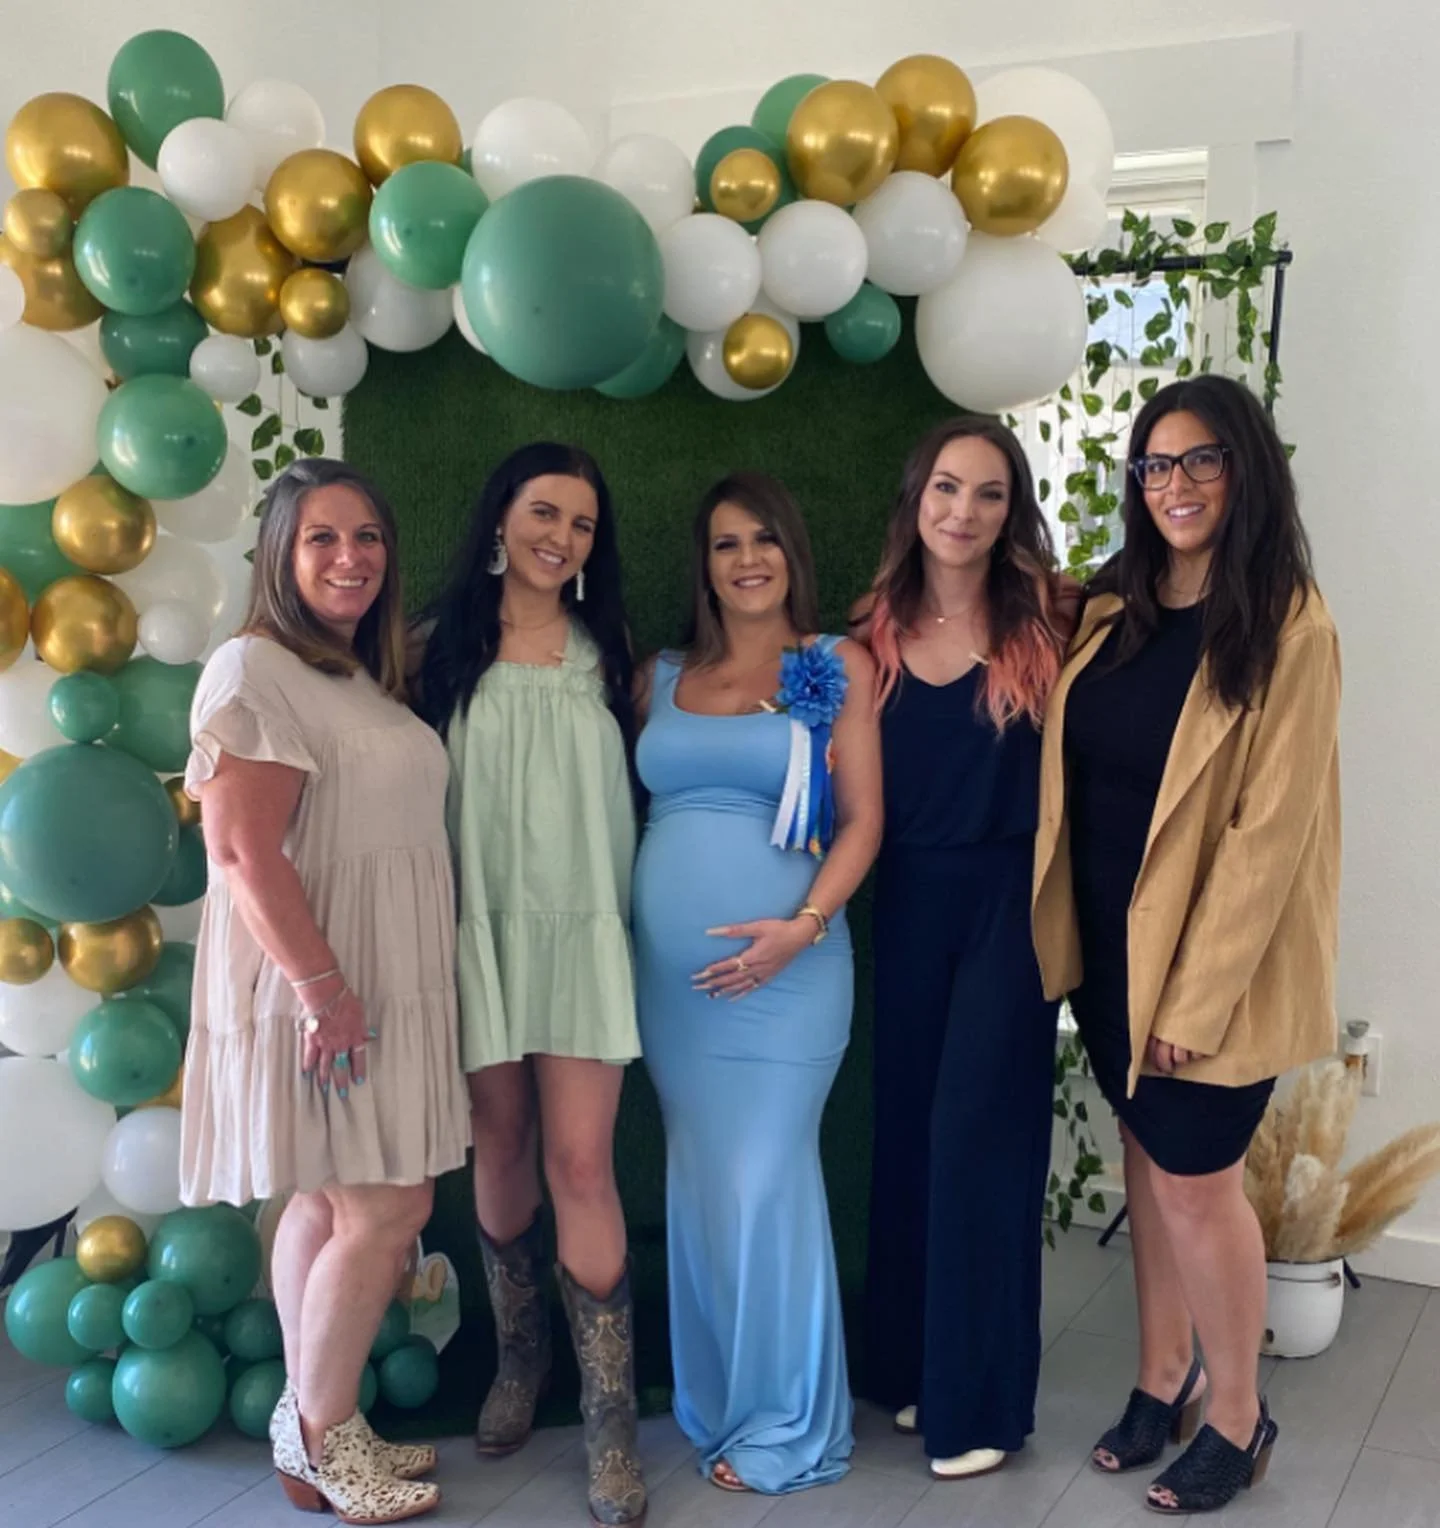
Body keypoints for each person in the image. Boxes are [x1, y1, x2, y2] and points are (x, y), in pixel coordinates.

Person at [1033, 375, 1341, 1515]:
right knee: (1148, 1158)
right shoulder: (1117, 604)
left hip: (1212, 969)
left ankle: (1239, 1416)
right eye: (1156, 465)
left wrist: (1194, 1001)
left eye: (1202, 459)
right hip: (1112, 944)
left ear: (1244, 468)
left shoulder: (1290, 625)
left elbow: (1269, 838)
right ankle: (1162, 1377)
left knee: (1200, 1182)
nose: (1177, 484)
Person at [184, 459, 469, 1523]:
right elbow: (240, 853)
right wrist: (322, 990)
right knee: (389, 1204)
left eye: (367, 537)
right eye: (322, 538)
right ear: (279, 553)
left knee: (326, 1197)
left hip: (376, 978)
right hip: (324, 986)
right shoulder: (252, 669)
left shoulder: (352, 675)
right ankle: (321, 1435)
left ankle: (313, 1429)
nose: (351, 557)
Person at [632, 472, 883, 1495]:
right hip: (674, 991)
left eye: (764, 539)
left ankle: (791, 1421)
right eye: (727, 543)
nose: (747, 560)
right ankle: (722, 1401)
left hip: (792, 978)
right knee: (701, 1181)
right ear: (704, 564)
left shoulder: (837, 664)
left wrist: (800, 930)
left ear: (792, 553)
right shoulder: (657, 676)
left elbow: (863, 821)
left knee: (767, 1178)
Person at [414, 443, 645, 1528]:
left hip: (585, 933)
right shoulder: (432, 651)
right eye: (545, 512)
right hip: (479, 935)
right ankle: (520, 1360)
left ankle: (610, 1422)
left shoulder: (617, 658)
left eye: (583, 523)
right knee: (498, 1147)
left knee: (581, 1160)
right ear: (501, 517)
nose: (562, 537)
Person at [856, 417, 1078, 1480]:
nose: (964, 510)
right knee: (906, 1135)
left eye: (990, 493)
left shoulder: (1051, 622)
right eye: (948, 486)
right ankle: (912, 1368)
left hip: (1009, 909)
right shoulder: (868, 637)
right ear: (917, 497)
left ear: (1011, 511)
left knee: (978, 1142)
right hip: (904, 904)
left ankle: (981, 1401)